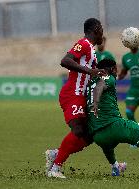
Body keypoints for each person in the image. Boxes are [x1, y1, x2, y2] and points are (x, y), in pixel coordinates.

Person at [45, 18, 106, 179]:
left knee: (89, 134)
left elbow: (89, 73)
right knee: (79, 130)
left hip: (81, 96)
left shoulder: (92, 50)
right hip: (73, 94)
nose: (103, 34)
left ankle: (56, 154)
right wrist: (89, 71)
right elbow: (65, 60)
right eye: (102, 30)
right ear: (96, 29)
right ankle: (55, 169)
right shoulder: (84, 43)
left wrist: (98, 73)